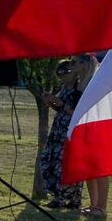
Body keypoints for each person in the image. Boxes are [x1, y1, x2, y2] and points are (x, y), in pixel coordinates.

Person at [37, 59, 82, 209]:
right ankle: (60, 196)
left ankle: (68, 199)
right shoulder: (64, 88)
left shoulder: (79, 89)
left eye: (65, 73)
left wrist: (61, 103)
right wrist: (51, 103)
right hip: (58, 130)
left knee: (65, 164)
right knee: (49, 160)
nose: (62, 77)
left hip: (69, 132)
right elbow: (62, 109)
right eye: (59, 75)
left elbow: (76, 112)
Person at [75, 54, 109, 218]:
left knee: (100, 169)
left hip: (97, 128)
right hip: (84, 128)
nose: (72, 66)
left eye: (76, 62)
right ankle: (93, 204)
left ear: (84, 65)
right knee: (88, 168)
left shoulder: (96, 81)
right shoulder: (79, 82)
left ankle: (102, 206)